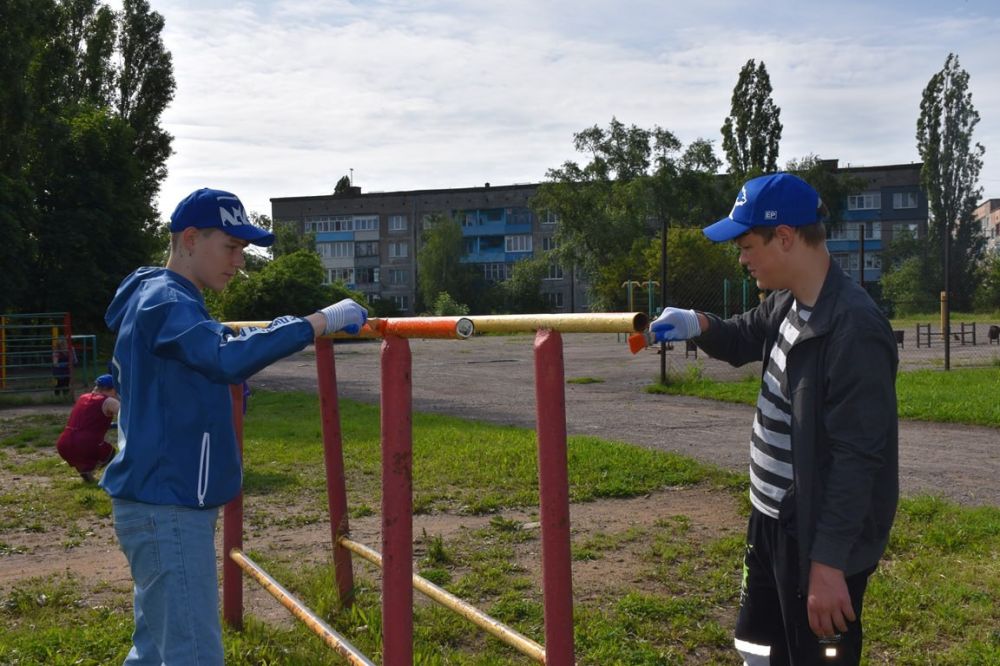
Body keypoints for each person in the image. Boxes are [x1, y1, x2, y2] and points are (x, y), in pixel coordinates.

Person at [102, 187, 368, 665]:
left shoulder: (159, 297)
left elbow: (190, 355)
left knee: (155, 648)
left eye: (243, 249)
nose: (239, 261)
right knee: (193, 654)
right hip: (169, 502)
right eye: (230, 246)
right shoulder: (166, 301)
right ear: (188, 239)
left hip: (159, 498)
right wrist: (316, 322)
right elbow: (224, 357)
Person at [650, 173, 898, 665]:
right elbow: (743, 337)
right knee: (757, 650)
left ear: (784, 237)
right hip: (768, 522)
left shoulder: (854, 328)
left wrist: (827, 566)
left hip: (815, 540)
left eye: (746, 245)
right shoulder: (788, 302)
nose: (741, 258)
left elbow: (857, 459)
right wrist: (697, 324)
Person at [56, 373, 120, 482]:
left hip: (63, 443)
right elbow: (127, 417)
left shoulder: (82, 397)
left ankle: (86, 471)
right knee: (110, 452)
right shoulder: (109, 401)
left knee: (84, 449)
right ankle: (100, 474)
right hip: (86, 444)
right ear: (113, 389)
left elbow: (90, 422)